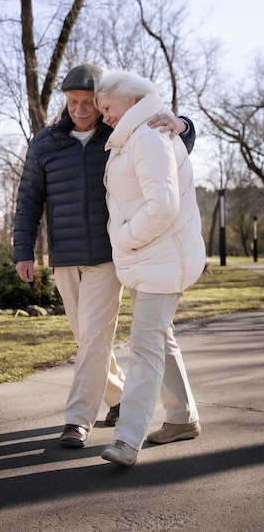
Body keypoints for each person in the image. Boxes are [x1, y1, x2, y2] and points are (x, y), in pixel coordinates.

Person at [13, 63, 196, 449]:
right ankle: (125, 399)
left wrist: (183, 123)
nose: (81, 109)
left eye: (88, 103)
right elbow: (29, 199)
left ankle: (77, 420)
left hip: (109, 254)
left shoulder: (118, 136)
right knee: (87, 337)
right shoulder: (46, 142)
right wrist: (23, 250)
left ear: (101, 103)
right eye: (73, 102)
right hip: (64, 253)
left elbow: (166, 151)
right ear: (65, 102)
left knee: (95, 337)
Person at [93, 69, 206, 467]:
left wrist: (122, 239)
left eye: (106, 107)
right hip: (149, 258)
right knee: (161, 339)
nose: (103, 115)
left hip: (160, 258)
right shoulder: (133, 137)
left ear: (129, 98)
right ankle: (182, 419)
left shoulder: (147, 136)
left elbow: (163, 207)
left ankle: (127, 439)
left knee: (144, 346)